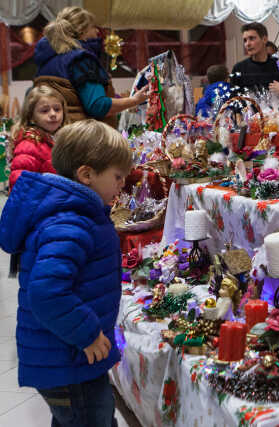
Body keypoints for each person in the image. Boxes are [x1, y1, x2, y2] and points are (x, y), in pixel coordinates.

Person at [0, 119, 132, 426]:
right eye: (117, 176)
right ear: (86, 174)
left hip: (68, 355)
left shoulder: (77, 214)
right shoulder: (70, 223)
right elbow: (47, 292)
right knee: (89, 417)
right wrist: (87, 334)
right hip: (69, 358)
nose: (123, 183)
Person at [33, 6, 148, 128]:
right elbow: (97, 106)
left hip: (55, 136)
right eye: (93, 27)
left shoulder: (47, 60)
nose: (97, 31)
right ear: (82, 31)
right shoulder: (81, 59)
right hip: (83, 138)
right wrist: (134, 100)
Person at [8, 85, 68, 190]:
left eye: (57, 109)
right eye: (45, 111)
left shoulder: (58, 139)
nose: (53, 114)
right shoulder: (29, 145)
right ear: (31, 116)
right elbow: (19, 182)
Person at [231, 23, 279, 92]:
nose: (247, 44)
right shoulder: (238, 69)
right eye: (245, 40)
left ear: (264, 39)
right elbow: (233, 98)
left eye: (251, 38)